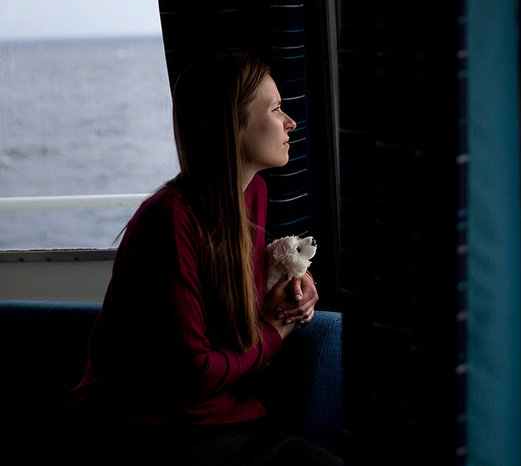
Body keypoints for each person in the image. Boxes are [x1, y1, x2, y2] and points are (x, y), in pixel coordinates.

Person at [66, 52, 342, 465]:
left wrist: (289, 287)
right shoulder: (169, 218)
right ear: (232, 125)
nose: (290, 122)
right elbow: (194, 372)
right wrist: (274, 330)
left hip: (219, 421)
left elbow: (232, 302)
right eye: (275, 109)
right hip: (145, 430)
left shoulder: (253, 193)